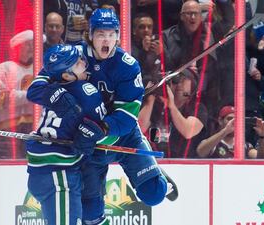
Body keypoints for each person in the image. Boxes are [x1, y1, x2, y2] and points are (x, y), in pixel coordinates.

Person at [28, 8, 178, 225]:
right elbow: (36, 87)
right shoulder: (74, 56)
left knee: (153, 193)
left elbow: (126, 118)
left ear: (118, 35)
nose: (106, 39)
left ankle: (156, 173)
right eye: (100, 34)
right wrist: (58, 96)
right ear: (90, 34)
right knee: (90, 214)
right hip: (90, 144)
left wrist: (102, 129)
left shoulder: (127, 66)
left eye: (111, 34)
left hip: (121, 136)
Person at [26, 44, 107, 225]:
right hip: (58, 174)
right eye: (78, 63)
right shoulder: (86, 92)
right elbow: (104, 127)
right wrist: (99, 129)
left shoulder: (50, 85)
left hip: (43, 171)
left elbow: (35, 87)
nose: (84, 63)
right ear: (66, 75)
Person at [139, 68, 208, 158]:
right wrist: (151, 97)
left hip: (184, 163)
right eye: (175, 80)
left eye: (183, 80)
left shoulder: (197, 108)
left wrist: (171, 106)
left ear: (193, 86)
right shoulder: (156, 104)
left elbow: (188, 131)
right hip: (152, 159)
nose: (179, 84)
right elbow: (140, 128)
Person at [0, 30, 35, 158]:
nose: (31, 47)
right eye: (27, 44)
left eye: (33, 44)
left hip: (34, 129)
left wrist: (18, 95)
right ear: (17, 47)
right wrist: (30, 95)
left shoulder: (41, 68)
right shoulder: (4, 68)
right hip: (8, 131)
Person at [196, 105, 264, 159]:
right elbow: (200, 152)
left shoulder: (244, 145)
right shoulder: (214, 142)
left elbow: (261, 159)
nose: (233, 123)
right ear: (220, 120)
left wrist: (262, 136)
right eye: (230, 119)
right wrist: (225, 131)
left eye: (236, 120)